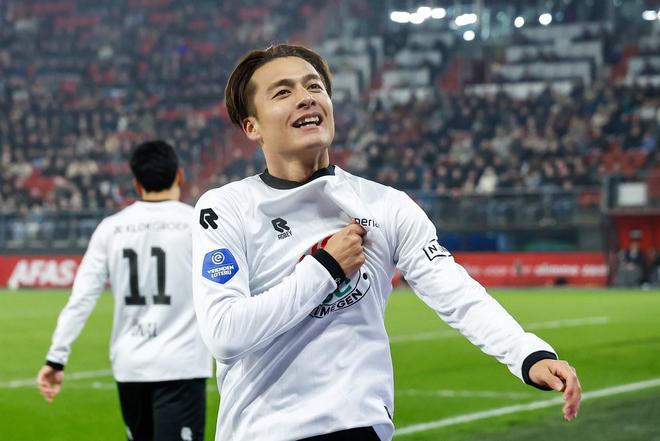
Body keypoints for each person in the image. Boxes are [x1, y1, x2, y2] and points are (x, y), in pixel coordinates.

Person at [192, 44, 582, 441]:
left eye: (314, 86)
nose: (306, 97)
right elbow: (226, 334)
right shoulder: (225, 208)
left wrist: (527, 354)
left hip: (359, 427)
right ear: (252, 127)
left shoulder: (385, 205)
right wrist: (326, 269)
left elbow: (456, 291)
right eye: (283, 92)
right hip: (263, 431)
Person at [38, 140, 212, 441]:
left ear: (136, 183)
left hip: (130, 366)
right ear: (180, 176)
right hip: (181, 364)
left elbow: (81, 298)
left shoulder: (111, 228)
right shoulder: (197, 224)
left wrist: (56, 359)